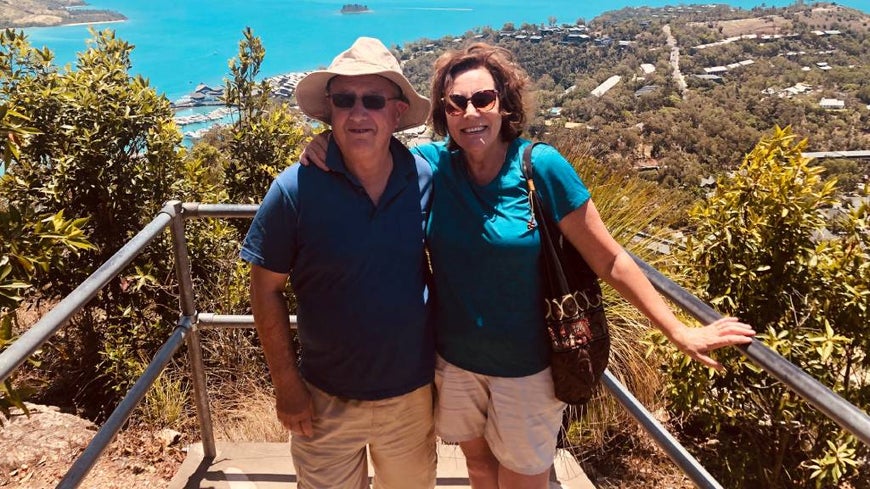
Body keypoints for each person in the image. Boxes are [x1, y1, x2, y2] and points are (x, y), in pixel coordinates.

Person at [303, 42, 755, 489]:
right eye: (457, 103)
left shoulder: (540, 167)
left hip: (528, 370)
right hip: (456, 362)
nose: (471, 113)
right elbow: (371, 146)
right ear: (445, 112)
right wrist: (327, 142)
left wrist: (679, 330)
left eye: (484, 99)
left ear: (504, 104)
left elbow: (610, 258)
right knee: (479, 469)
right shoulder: (432, 165)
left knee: (522, 479)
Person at [240, 37, 436, 489]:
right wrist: (286, 385)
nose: (358, 113)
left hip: (411, 398)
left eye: (372, 100)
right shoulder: (294, 190)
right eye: (345, 100)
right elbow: (265, 288)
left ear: (397, 112)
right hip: (323, 398)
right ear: (329, 111)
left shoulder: (426, 177)